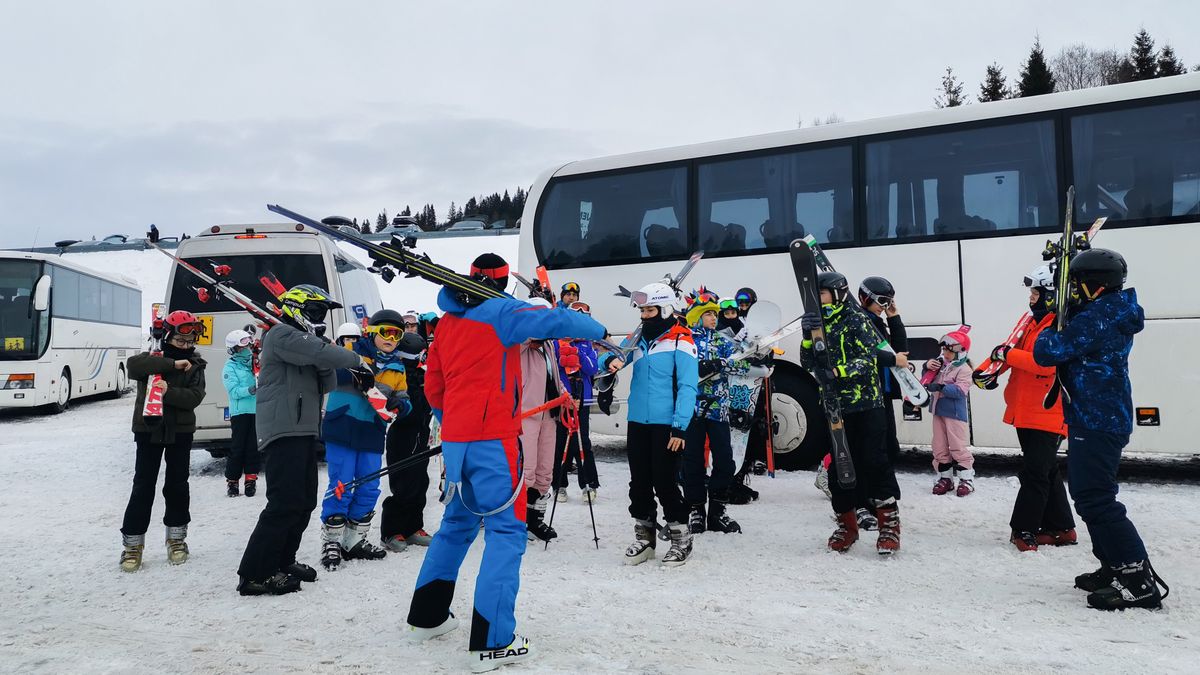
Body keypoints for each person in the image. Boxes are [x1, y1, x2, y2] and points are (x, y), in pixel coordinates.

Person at [405, 253, 605, 670]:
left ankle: (428, 616)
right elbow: (560, 322)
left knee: (456, 527)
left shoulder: (446, 323)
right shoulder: (502, 311)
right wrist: (599, 329)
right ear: (500, 282)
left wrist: (453, 423)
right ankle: (492, 641)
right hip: (494, 441)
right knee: (506, 532)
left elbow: (434, 386)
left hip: (458, 442)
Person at [1033, 248, 1168, 610]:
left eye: (1077, 284)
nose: (1074, 290)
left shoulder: (1100, 316)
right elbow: (1080, 333)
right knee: (1087, 493)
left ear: (1093, 285)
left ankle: (1138, 581)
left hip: (1097, 419)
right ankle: (1113, 565)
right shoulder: (1108, 310)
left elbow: (1048, 352)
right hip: (1096, 415)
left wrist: (1046, 320)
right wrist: (1062, 311)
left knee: (1096, 497)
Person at [236, 284, 362, 596]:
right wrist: (352, 358)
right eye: (315, 311)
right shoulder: (281, 335)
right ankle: (254, 574)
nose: (319, 318)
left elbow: (327, 377)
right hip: (283, 429)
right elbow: (327, 356)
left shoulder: (304, 341)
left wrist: (324, 352)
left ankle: (283, 560)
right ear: (298, 309)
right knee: (283, 502)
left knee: (303, 501)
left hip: (304, 428)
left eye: (322, 313)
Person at [799, 272, 901, 555]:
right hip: (834, 406)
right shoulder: (818, 322)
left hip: (866, 404)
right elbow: (807, 361)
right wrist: (807, 336)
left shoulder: (856, 318)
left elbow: (869, 358)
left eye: (821, 293)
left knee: (875, 462)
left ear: (838, 293)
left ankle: (889, 525)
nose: (817, 298)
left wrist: (837, 371)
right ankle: (847, 524)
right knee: (840, 466)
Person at [598, 282, 699, 567]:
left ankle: (681, 535)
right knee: (639, 482)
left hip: (667, 423)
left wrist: (680, 427)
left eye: (650, 310)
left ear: (666, 309)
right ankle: (645, 535)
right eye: (642, 310)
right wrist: (609, 363)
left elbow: (689, 387)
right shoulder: (640, 337)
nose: (644, 316)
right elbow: (616, 354)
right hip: (638, 421)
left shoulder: (682, 341)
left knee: (665, 481)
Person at [983, 265, 1076, 552]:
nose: (1031, 297)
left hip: (1048, 410)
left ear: (1051, 294)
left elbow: (1043, 363)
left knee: (1035, 472)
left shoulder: (1060, 325)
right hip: (1026, 409)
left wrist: (1008, 354)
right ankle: (1062, 528)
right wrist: (985, 371)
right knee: (1045, 470)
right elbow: (1008, 351)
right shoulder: (1031, 322)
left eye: (1037, 291)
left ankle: (1023, 530)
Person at [318, 309, 416, 571]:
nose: (391, 338)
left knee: (369, 485)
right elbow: (329, 375)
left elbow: (405, 402)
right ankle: (332, 540)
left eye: (397, 334)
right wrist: (356, 374)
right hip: (343, 426)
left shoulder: (397, 367)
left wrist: (398, 405)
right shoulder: (351, 354)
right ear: (372, 332)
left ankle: (354, 539)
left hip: (372, 432)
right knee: (342, 483)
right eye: (386, 332)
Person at [119, 311, 207, 572]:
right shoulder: (152, 359)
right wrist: (171, 365)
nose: (185, 346)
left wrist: (168, 392)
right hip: (149, 428)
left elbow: (194, 397)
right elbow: (135, 367)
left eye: (189, 342)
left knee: (177, 484)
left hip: (180, 431)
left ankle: (177, 539)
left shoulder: (196, 364)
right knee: (143, 485)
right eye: (180, 341)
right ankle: (132, 545)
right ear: (167, 337)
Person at [682, 290, 754, 535]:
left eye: (715, 313)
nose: (714, 317)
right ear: (698, 316)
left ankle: (717, 511)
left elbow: (742, 362)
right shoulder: (687, 340)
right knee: (691, 461)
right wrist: (697, 368)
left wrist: (722, 363)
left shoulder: (723, 341)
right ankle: (695, 509)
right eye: (709, 314)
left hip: (719, 411)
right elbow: (678, 368)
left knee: (724, 459)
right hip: (691, 410)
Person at [380, 323, 436, 552]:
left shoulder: (423, 374)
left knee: (420, 482)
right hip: (402, 435)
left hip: (421, 434)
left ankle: (413, 527)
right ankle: (392, 532)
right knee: (403, 484)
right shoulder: (397, 373)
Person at [519, 299, 562, 542]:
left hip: (550, 413)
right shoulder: (520, 344)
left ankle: (535, 519)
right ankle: (515, 520)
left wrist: (564, 394)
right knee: (527, 469)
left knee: (545, 469)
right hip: (526, 413)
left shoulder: (547, 347)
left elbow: (552, 376)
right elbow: (525, 336)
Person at [552, 302, 601, 503]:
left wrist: (577, 352)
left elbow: (592, 369)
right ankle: (559, 485)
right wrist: (564, 350)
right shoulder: (557, 341)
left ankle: (589, 484)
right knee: (560, 441)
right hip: (562, 398)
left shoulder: (588, 343)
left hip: (583, 398)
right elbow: (553, 368)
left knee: (583, 441)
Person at [924, 326, 975, 497]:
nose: (945, 354)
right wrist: (927, 366)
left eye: (948, 351)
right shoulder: (942, 366)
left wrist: (940, 387)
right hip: (938, 412)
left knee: (957, 446)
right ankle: (945, 478)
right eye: (943, 350)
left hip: (955, 414)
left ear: (960, 352)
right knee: (939, 446)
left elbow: (961, 391)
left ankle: (966, 479)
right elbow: (927, 378)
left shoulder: (964, 369)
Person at [223, 329, 259, 498]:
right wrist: (250, 390)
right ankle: (233, 481)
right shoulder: (230, 367)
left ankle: (251, 480)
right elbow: (234, 391)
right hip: (240, 412)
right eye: (242, 347)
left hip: (256, 410)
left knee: (253, 446)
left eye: (248, 345)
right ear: (234, 349)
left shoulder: (254, 362)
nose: (247, 349)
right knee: (238, 447)